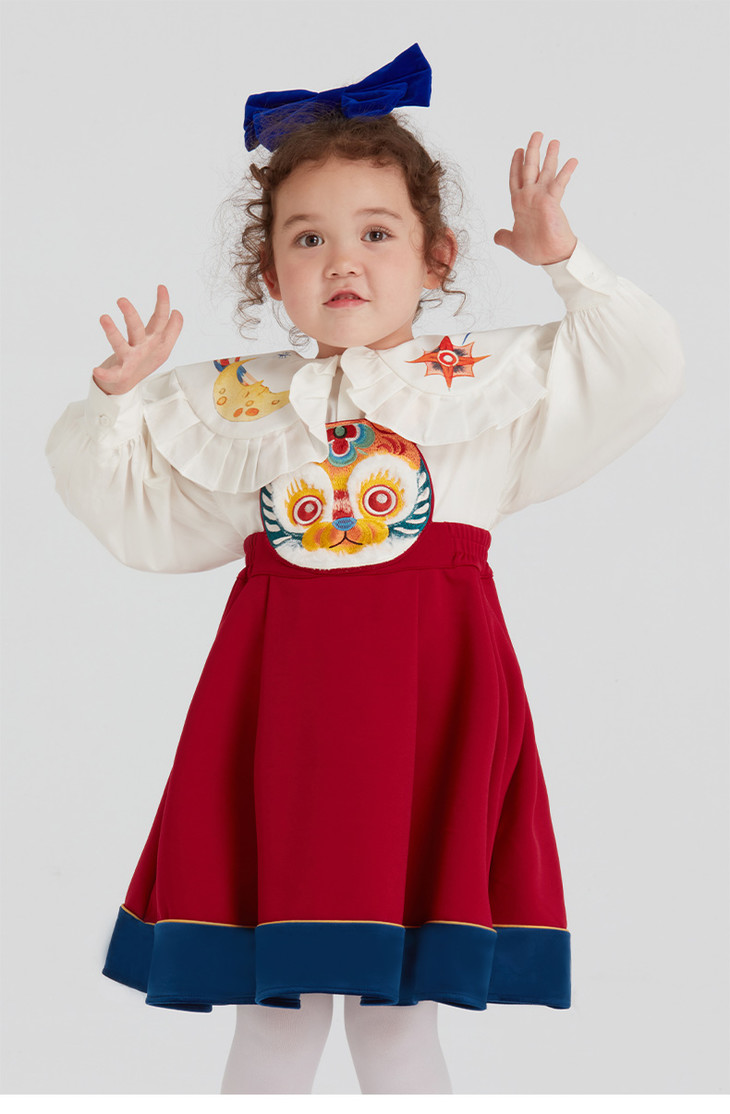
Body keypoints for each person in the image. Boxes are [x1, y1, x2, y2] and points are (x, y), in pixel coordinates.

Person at [45, 44, 684, 1096]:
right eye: (309, 238)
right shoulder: (237, 408)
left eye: (376, 234)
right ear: (270, 276)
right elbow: (135, 517)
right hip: (279, 728)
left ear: (437, 258)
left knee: (396, 1026)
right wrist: (113, 403)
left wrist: (564, 262)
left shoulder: (481, 391)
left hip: (429, 717)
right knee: (274, 1016)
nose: (343, 261)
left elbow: (642, 365)